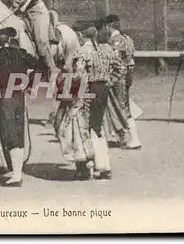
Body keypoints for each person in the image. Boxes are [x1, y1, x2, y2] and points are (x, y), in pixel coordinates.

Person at [0, 27, 42, 187]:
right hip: (18, 97)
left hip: (2, 98)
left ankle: (16, 175)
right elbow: (41, 65)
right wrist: (29, 84)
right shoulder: (20, 53)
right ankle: (16, 172)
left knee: (7, 133)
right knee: (18, 131)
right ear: (9, 39)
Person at [53, 20, 113, 180]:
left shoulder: (81, 52)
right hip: (103, 90)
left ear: (80, 35)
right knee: (97, 126)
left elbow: (79, 76)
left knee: (82, 128)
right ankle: (104, 165)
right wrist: (107, 82)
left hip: (87, 90)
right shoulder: (105, 49)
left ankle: (88, 166)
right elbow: (118, 68)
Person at [0, 0, 59, 78]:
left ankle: (52, 67)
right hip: (25, 15)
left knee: (41, 41)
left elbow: (20, 2)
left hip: (37, 12)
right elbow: (14, 8)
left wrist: (14, 5)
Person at [97, 14, 141, 150]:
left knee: (121, 108)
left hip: (118, 78)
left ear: (108, 26)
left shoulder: (115, 41)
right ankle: (124, 137)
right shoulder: (127, 38)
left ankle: (132, 139)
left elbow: (115, 63)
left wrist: (110, 78)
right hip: (126, 76)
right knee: (123, 107)